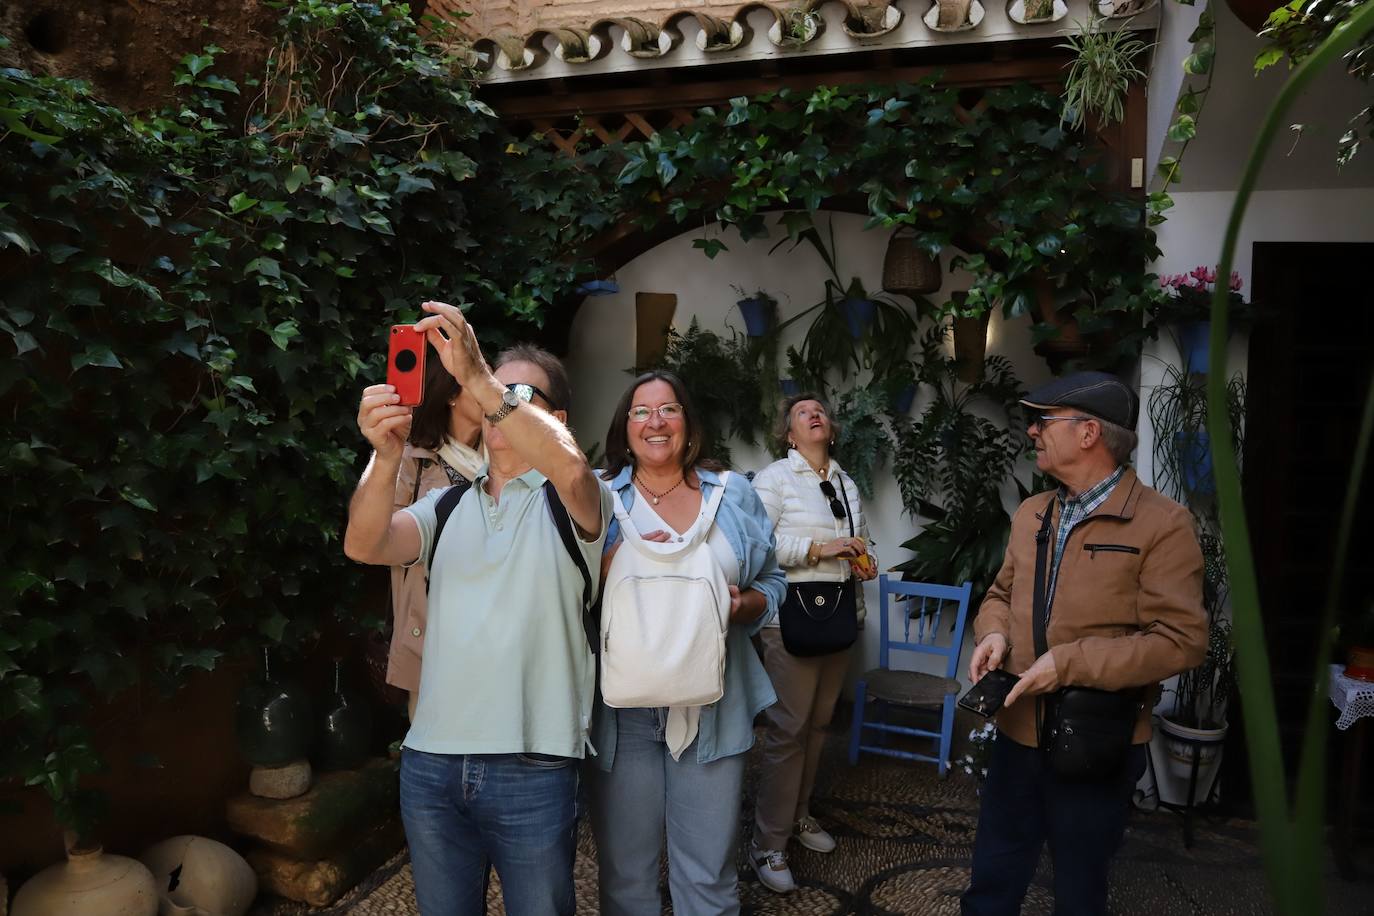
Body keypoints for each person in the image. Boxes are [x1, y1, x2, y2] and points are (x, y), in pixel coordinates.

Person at [344, 302, 610, 916]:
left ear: (560, 420)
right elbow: (365, 542)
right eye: (487, 392)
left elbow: (568, 468)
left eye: (521, 394)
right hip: (431, 766)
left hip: (534, 768)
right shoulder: (446, 505)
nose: (497, 405)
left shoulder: (579, 499)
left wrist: (482, 379)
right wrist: (385, 457)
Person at [960, 371, 1207, 916]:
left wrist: (1069, 664)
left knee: (1079, 890)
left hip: (1098, 742)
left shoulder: (1164, 525)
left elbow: (1182, 642)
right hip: (1018, 731)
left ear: (1089, 432)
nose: (1032, 432)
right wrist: (994, 632)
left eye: (1044, 422)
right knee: (992, 878)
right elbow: (1001, 592)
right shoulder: (1032, 514)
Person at [589, 370, 787, 916]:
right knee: (626, 876)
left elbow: (774, 580)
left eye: (668, 409)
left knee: (709, 875)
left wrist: (746, 605)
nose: (655, 421)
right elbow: (565, 591)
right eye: (640, 411)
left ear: (688, 422)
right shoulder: (598, 497)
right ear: (624, 427)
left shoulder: (733, 494)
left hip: (715, 704)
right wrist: (613, 562)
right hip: (621, 711)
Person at [747, 392, 878, 893]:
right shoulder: (774, 479)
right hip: (792, 620)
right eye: (803, 412)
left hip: (841, 616)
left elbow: (860, 540)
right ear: (789, 433)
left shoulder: (844, 482)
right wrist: (821, 548)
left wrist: (864, 560)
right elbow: (759, 544)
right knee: (788, 730)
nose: (814, 414)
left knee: (820, 725)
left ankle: (798, 817)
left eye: (820, 409)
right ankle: (767, 842)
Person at [386, 346, 484, 721]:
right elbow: (385, 541)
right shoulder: (412, 458)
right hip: (430, 625)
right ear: (453, 395)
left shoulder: (507, 458)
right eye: (477, 381)